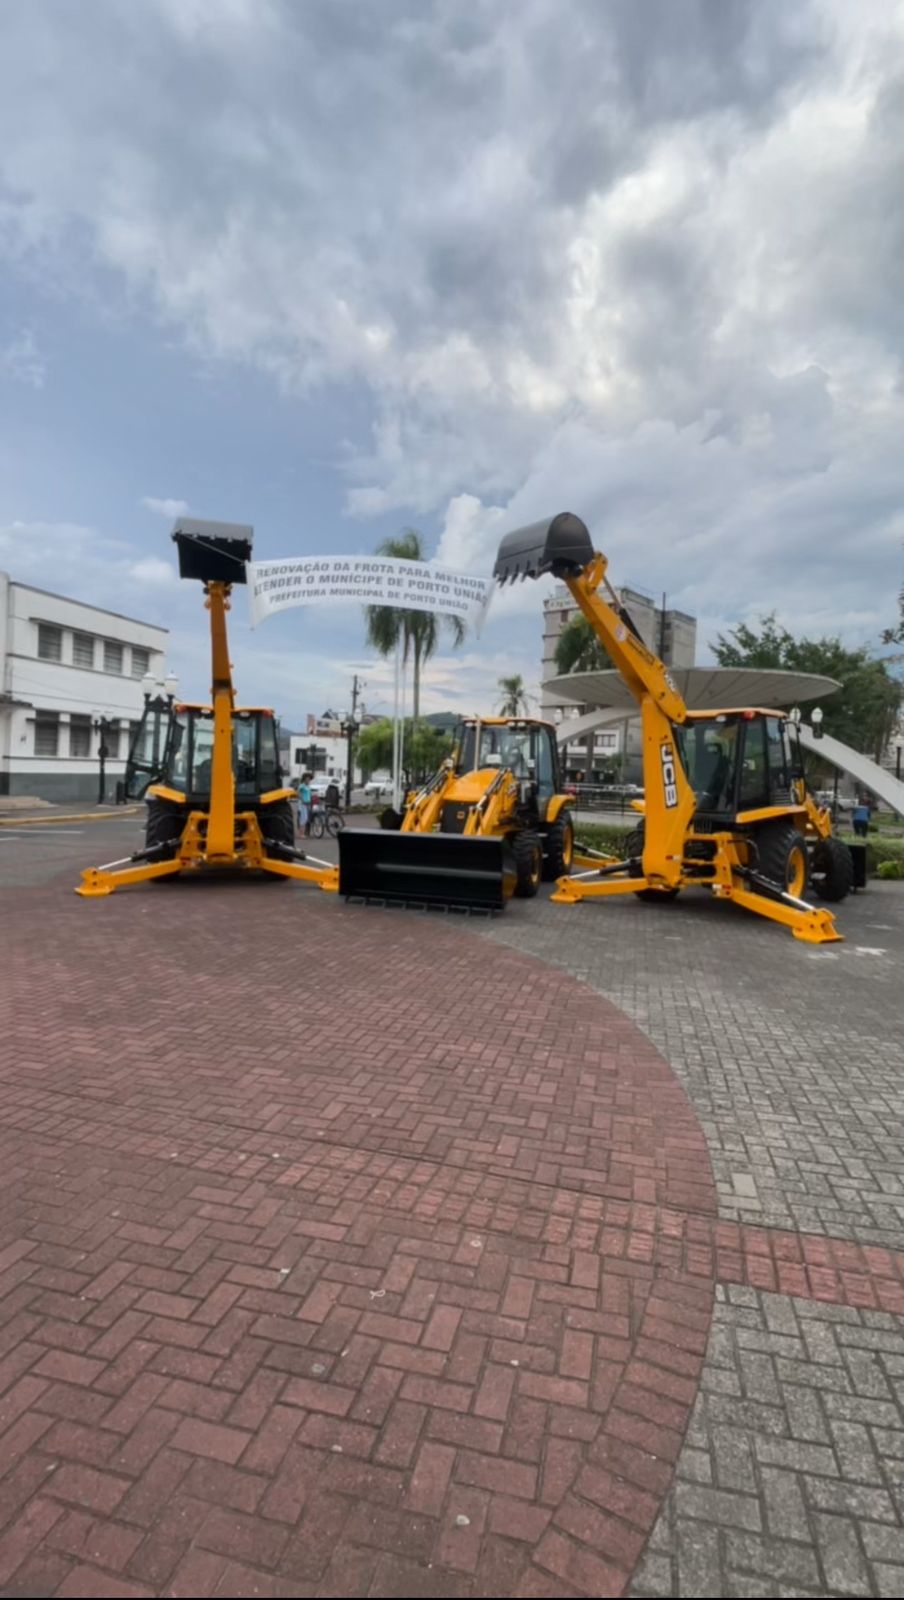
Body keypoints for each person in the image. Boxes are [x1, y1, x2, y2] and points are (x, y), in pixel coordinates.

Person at [297, 771, 312, 837]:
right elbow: (298, 793)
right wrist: (302, 799)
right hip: (303, 803)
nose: (308, 780)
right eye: (307, 779)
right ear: (304, 779)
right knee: (303, 818)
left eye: (309, 779)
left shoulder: (308, 786)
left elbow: (309, 794)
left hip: (308, 803)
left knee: (305, 818)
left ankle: (303, 833)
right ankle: (301, 833)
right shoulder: (302, 786)